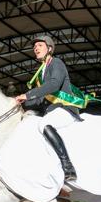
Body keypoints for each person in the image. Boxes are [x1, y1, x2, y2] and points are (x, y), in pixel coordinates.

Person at [15, 35, 79, 181]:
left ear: (49, 48)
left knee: (44, 124)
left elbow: (54, 85)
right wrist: (19, 104)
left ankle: (68, 167)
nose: (35, 48)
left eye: (39, 45)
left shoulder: (56, 63)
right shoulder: (42, 70)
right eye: (34, 46)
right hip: (52, 111)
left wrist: (28, 94)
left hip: (65, 109)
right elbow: (41, 99)